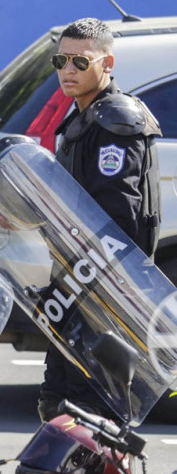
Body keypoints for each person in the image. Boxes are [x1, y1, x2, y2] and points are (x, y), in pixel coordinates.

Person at [37, 17, 161, 423]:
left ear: (107, 63)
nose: (68, 71)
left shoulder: (116, 121)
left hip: (101, 287)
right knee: (56, 399)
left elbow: (116, 218)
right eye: (61, 61)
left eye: (80, 62)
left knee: (90, 405)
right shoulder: (83, 117)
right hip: (74, 278)